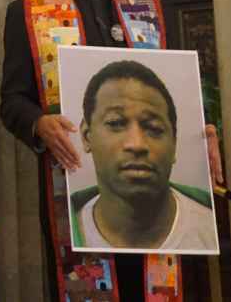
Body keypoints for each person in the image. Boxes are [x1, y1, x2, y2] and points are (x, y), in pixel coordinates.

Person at [0, 0, 223, 301]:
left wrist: (202, 129)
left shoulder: (146, 5)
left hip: (153, 181)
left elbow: (181, 85)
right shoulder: (29, 12)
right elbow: (12, 99)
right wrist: (38, 123)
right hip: (77, 174)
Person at [71, 60, 215, 251]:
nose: (137, 144)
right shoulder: (64, 231)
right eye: (115, 123)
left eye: (154, 128)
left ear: (174, 143)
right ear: (86, 136)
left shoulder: (210, 229)